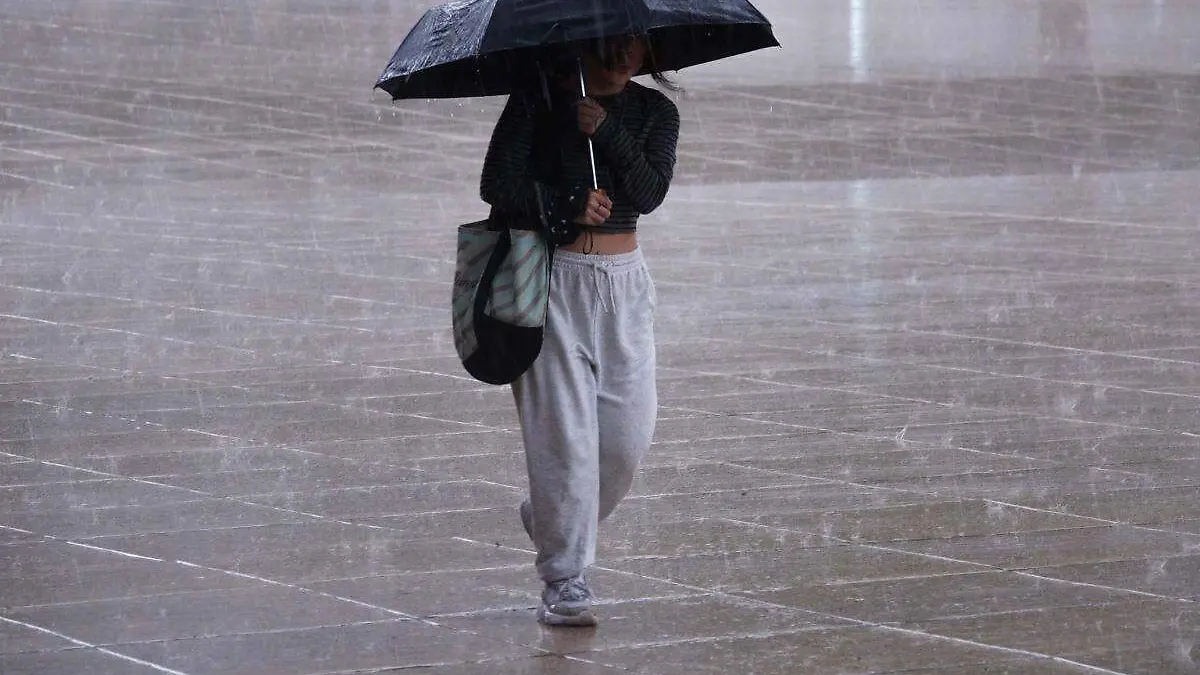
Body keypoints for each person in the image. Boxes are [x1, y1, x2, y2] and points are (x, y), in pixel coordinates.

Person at [479, 35, 681, 627]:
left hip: (625, 283)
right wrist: (565, 200)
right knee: (562, 438)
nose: (621, 60)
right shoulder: (538, 101)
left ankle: (551, 519)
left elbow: (649, 192)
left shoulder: (655, 111)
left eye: (633, 47)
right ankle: (565, 577)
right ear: (582, 43)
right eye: (609, 46)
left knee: (625, 441)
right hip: (550, 279)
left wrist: (606, 131)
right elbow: (497, 182)